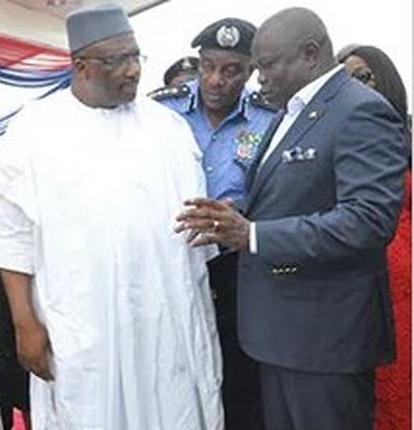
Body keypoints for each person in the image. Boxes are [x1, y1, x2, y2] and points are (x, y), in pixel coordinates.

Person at [0, 4, 222, 429]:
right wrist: (25, 325)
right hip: (83, 322)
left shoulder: (168, 128)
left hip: (164, 316)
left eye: (135, 56)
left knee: (172, 405)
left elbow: (194, 228)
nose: (132, 71)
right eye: (117, 60)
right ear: (81, 66)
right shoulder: (35, 130)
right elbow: (11, 239)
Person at [176, 8, 408, 430]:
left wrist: (255, 235)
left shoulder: (359, 110)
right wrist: (234, 217)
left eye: (267, 65)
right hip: (281, 335)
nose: (258, 77)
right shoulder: (294, 110)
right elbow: (288, 199)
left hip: (325, 341)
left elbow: (369, 219)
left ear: (310, 53)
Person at [154, 17, 276, 430]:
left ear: (251, 71)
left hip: (236, 271)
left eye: (231, 70)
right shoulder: (159, 111)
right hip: (171, 264)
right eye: (208, 65)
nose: (215, 79)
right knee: (174, 376)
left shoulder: (269, 120)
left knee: (239, 381)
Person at [339, 44, 411, 430]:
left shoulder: (408, 136)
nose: (356, 88)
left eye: (363, 76)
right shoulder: (335, 146)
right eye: (345, 81)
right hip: (362, 286)